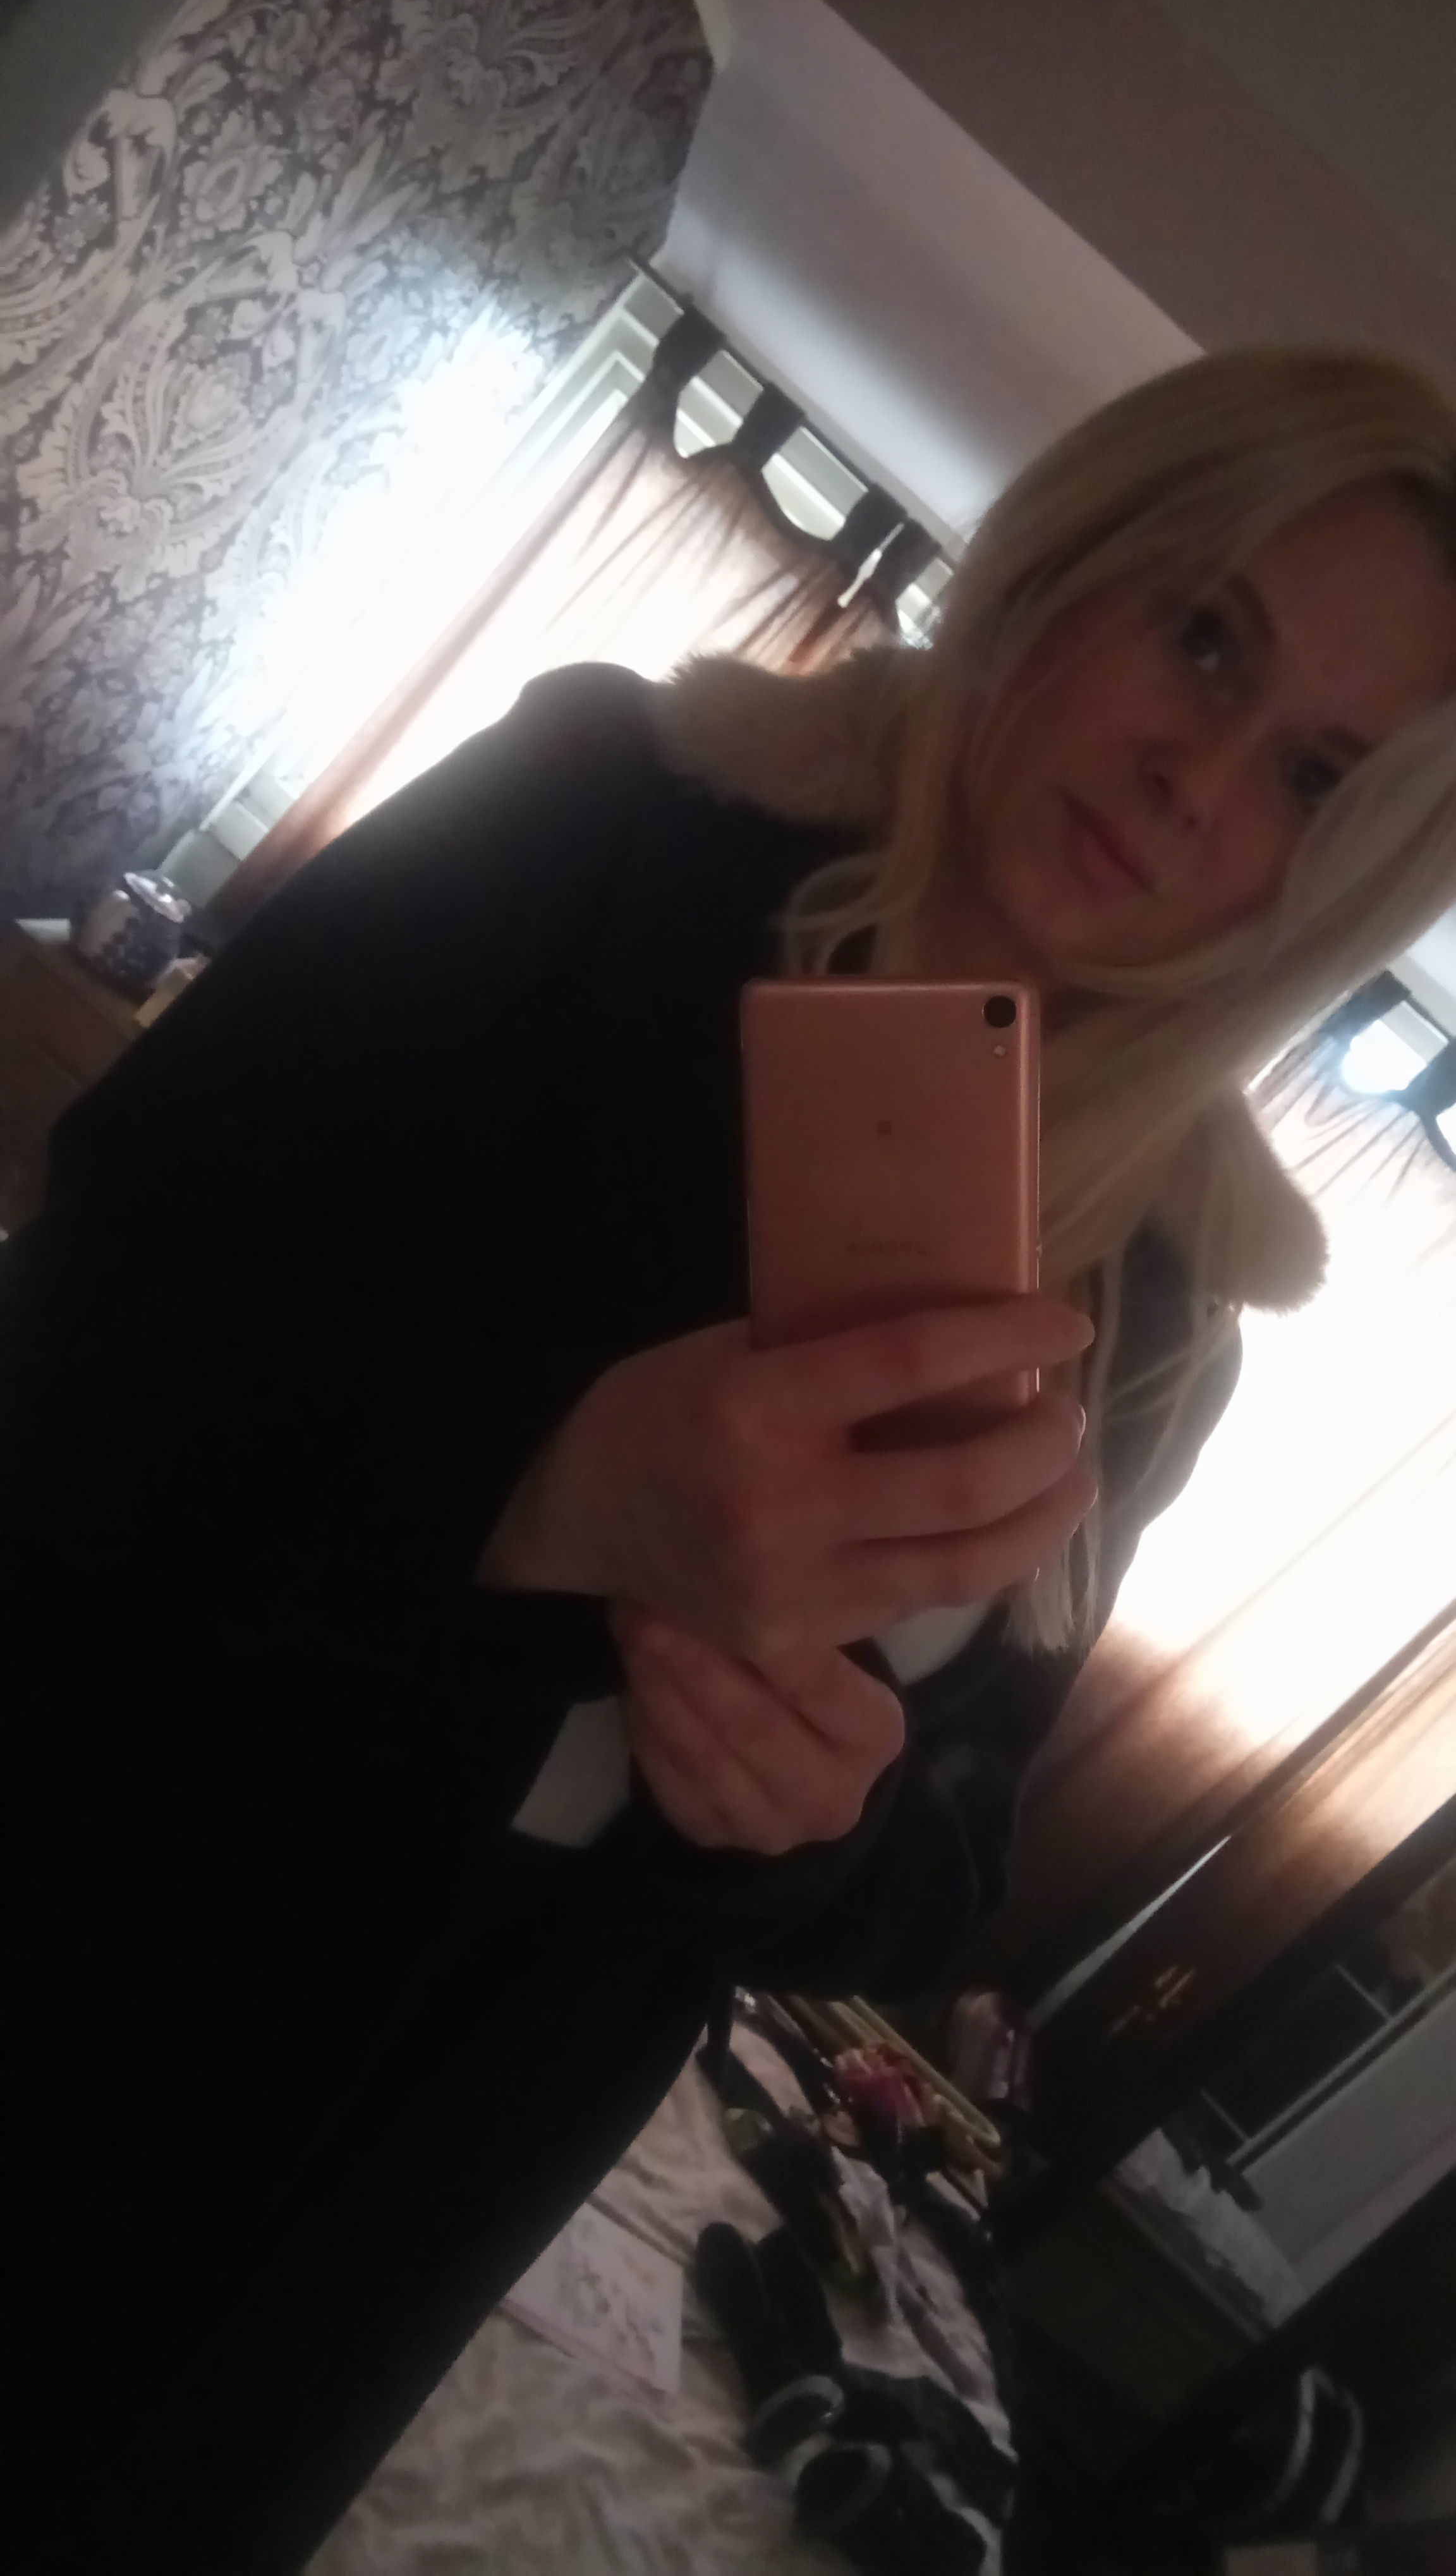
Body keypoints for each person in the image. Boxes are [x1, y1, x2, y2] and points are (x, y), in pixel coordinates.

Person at [7, 343, 1456, 2575]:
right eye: (1203, 637)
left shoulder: (1161, 1320)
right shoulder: (607, 814)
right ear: (1081, 554)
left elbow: (945, 1858)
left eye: (1315, 774)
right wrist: (542, 1487)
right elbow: (85, 1323)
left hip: (425, 2155)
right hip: (94, 1887)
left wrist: (815, 1817)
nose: (1196, 782)